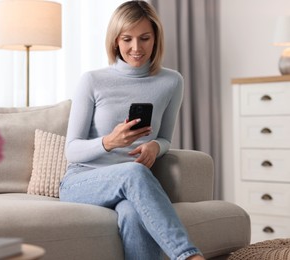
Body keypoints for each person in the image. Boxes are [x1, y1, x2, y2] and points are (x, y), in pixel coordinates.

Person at [59, 1, 205, 260]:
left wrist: (155, 146)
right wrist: (108, 142)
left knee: (132, 213)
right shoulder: (92, 80)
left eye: (145, 38)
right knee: (133, 172)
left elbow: (165, 138)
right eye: (127, 39)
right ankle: (189, 256)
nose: (136, 48)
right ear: (115, 41)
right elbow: (71, 150)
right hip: (83, 181)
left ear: (156, 38)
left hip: (133, 186)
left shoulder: (171, 82)